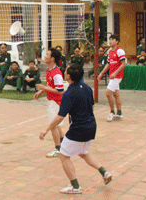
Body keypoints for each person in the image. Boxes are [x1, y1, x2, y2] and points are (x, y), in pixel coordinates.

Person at [39, 63, 112, 194]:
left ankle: (75, 186)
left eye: (66, 71)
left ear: (68, 76)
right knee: (83, 152)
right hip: (91, 126)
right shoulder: (87, 88)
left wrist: (46, 130)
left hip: (79, 128)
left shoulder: (69, 93)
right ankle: (104, 173)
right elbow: (92, 107)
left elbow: (60, 117)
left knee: (63, 155)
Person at [34, 49, 65, 158]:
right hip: (52, 100)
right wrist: (41, 91)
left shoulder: (56, 74)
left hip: (56, 102)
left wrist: (44, 88)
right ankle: (63, 144)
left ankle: (57, 148)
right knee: (56, 124)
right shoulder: (49, 69)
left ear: (52, 59)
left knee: (53, 126)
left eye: (47, 54)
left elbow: (60, 90)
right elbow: (50, 85)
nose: (45, 56)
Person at [98, 35, 126, 122]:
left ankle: (112, 112)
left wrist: (115, 73)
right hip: (112, 76)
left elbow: (123, 64)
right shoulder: (110, 52)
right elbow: (108, 64)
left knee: (107, 93)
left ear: (117, 41)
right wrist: (101, 73)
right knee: (116, 94)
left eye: (112, 39)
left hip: (117, 76)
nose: (110, 41)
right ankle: (119, 113)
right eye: (109, 39)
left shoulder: (120, 51)